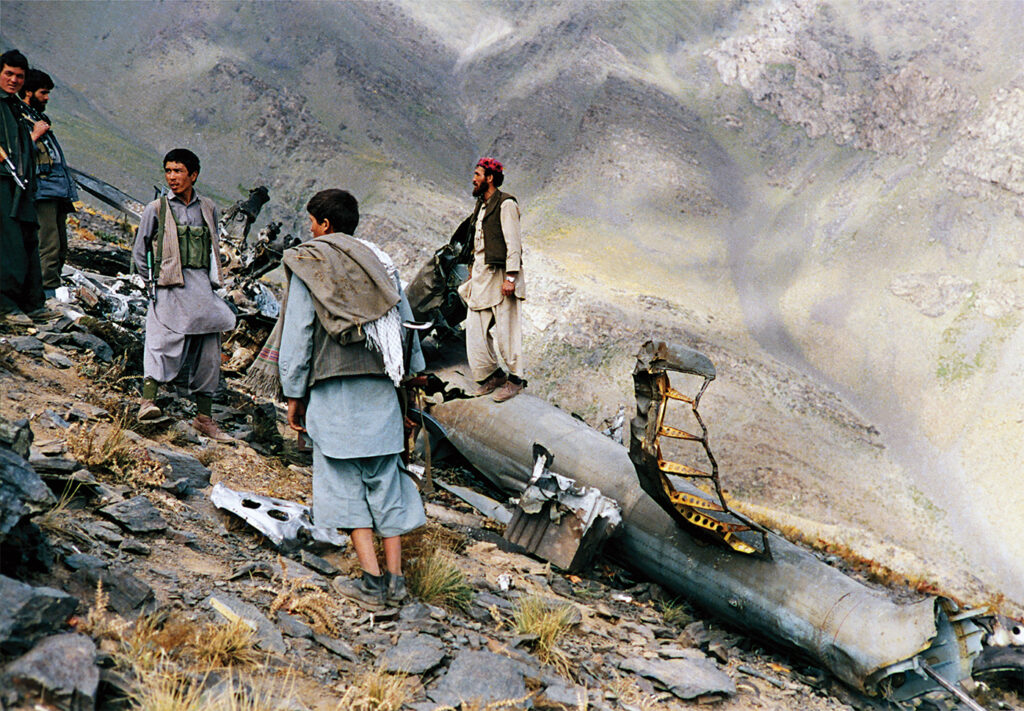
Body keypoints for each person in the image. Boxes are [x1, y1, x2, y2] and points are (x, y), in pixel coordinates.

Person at [276, 188, 425, 609]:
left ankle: (371, 583)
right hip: (382, 390)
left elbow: (300, 332)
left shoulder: (312, 260)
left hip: (333, 390)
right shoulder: (381, 263)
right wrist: (409, 387)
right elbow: (406, 325)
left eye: (312, 221)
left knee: (344, 486)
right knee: (386, 481)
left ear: (325, 224)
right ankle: (397, 582)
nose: (310, 229)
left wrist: (293, 393)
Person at [131, 148, 235, 440]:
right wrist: (150, 282)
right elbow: (140, 251)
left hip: (202, 287)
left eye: (178, 171)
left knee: (209, 350)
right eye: (168, 171)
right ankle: (147, 402)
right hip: (169, 286)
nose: (172, 177)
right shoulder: (156, 208)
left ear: (194, 175)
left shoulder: (209, 208)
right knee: (161, 340)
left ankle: (204, 418)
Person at [458, 157, 527, 402]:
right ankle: (493, 375)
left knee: (507, 332)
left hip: (501, 277)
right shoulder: (482, 205)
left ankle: (516, 380)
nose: (473, 179)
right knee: (475, 331)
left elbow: (513, 244)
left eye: (477, 174)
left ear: (489, 178)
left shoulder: (506, 204)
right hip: (481, 277)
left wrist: (510, 278)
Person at [0, 50, 52, 324]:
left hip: (22, 183)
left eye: (19, 76)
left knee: (29, 238)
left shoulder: (14, 106)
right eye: (8, 73)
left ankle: (33, 303)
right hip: (2, 182)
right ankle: (6, 305)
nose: (14, 80)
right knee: (8, 242)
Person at [20, 68, 78, 298]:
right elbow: (16, 153)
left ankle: (50, 288)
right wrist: (34, 135)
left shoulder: (37, 118)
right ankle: (45, 294)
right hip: (41, 191)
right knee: (48, 244)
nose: (46, 98)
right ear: (28, 92)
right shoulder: (20, 119)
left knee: (60, 244)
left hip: (56, 191)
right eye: (43, 93)